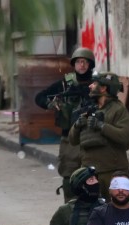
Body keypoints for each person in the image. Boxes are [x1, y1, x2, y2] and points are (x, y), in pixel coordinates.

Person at [35, 47, 95, 203]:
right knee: (69, 175)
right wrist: (51, 104)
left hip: (93, 136)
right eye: (79, 62)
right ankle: (70, 207)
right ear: (74, 64)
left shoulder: (97, 83)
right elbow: (40, 97)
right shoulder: (64, 84)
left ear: (90, 64)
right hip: (69, 139)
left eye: (85, 62)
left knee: (94, 175)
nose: (82, 65)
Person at [68, 72, 129, 201]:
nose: (90, 86)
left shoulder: (118, 110)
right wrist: (77, 125)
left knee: (115, 207)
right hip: (90, 172)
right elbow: (72, 140)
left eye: (94, 83)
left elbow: (124, 137)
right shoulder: (90, 109)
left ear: (103, 88)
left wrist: (101, 126)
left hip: (112, 172)